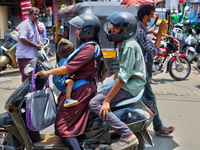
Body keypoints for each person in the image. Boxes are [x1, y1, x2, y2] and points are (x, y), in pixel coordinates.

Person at [34, 14, 107, 150]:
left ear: (88, 30)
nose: (77, 31)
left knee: (63, 127)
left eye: (79, 29)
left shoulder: (89, 49)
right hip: (80, 87)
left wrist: (47, 72)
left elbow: (67, 67)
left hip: (81, 90)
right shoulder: (88, 46)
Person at [89, 12, 146, 150]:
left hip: (131, 86)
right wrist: (108, 79)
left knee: (94, 103)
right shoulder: (122, 44)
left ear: (125, 29)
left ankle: (127, 134)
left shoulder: (129, 46)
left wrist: (107, 100)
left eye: (115, 28)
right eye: (112, 27)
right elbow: (123, 71)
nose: (111, 30)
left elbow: (124, 77)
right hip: (128, 82)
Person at [135, 4, 175, 135]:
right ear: (146, 17)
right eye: (152, 16)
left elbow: (150, 34)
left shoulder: (140, 28)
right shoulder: (140, 31)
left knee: (146, 98)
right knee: (149, 98)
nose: (154, 18)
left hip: (139, 70)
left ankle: (156, 126)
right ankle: (157, 127)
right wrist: (161, 31)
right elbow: (155, 50)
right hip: (138, 72)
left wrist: (159, 32)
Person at [16, 7, 43, 82]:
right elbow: (22, 39)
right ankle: (26, 93)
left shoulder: (34, 24)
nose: (37, 16)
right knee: (27, 78)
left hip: (32, 56)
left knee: (33, 77)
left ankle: (32, 92)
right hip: (25, 56)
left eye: (37, 15)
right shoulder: (24, 24)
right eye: (34, 14)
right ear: (29, 14)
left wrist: (39, 42)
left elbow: (36, 37)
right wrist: (35, 46)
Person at [56, 38, 78, 108]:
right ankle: (67, 99)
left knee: (63, 89)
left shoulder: (60, 60)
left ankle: (58, 101)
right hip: (61, 80)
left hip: (58, 81)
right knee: (70, 82)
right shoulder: (67, 61)